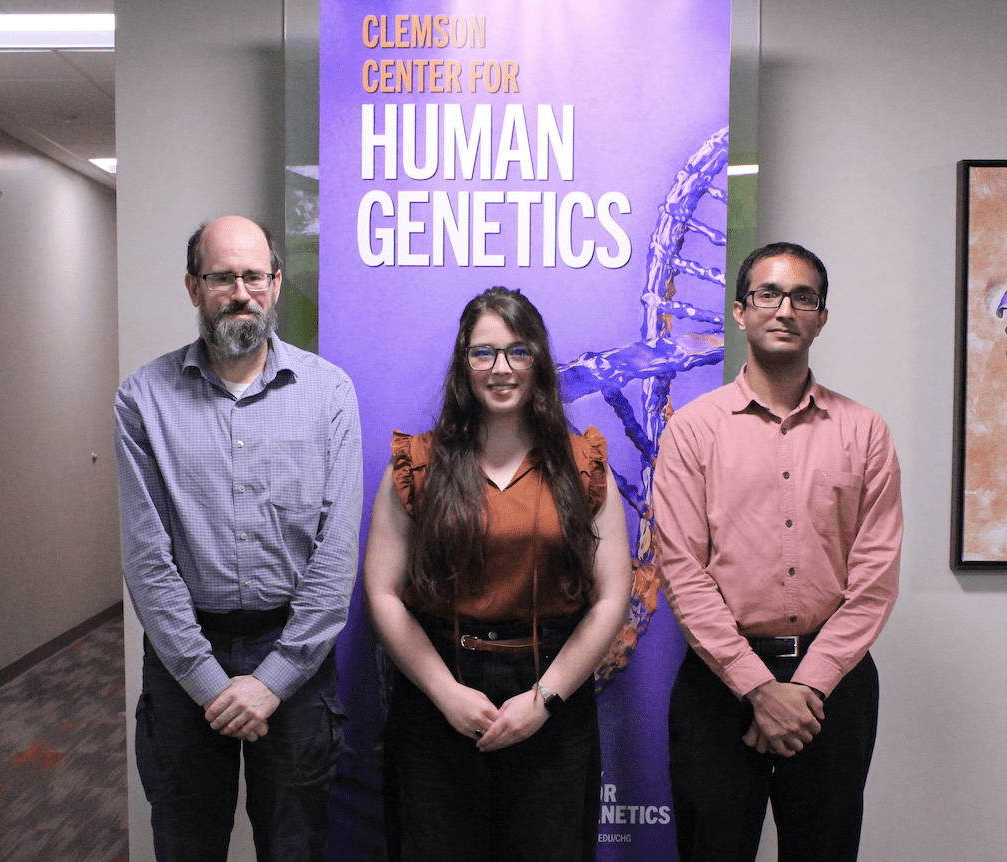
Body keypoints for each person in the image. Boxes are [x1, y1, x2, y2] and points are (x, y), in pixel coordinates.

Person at [115, 216, 362, 862]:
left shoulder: (330, 394)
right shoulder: (143, 401)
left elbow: (335, 561)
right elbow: (147, 561)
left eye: (254, 275)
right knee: (186, 846)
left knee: (296, 848)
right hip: (181, 660)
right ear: (194, 287)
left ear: (276, 284)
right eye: (222, 277)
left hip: (298, 659)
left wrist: (273, 679)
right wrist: (208, 681)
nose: (240, 291)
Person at [653, 243, 903, 862]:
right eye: (768, 293)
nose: (785, 309)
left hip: (833, 691)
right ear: (740, 311)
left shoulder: (865, 431)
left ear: (821, 317)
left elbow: (873, 580)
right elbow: (683, 573)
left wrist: (807, 687)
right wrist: (760, 689)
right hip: (719, 687)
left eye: (803, 297)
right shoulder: (692, 429)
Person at [363, 286, 632, 862]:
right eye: (483, 353)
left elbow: (613, 597)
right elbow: (383, 593)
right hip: (439, 698)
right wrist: (445, 694)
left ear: (539, 360)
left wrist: (545, 700)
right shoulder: (416, 463)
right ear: (464, 365)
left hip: (552, 697)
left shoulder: (583, 463)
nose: (501, 368)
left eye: (518, 351)